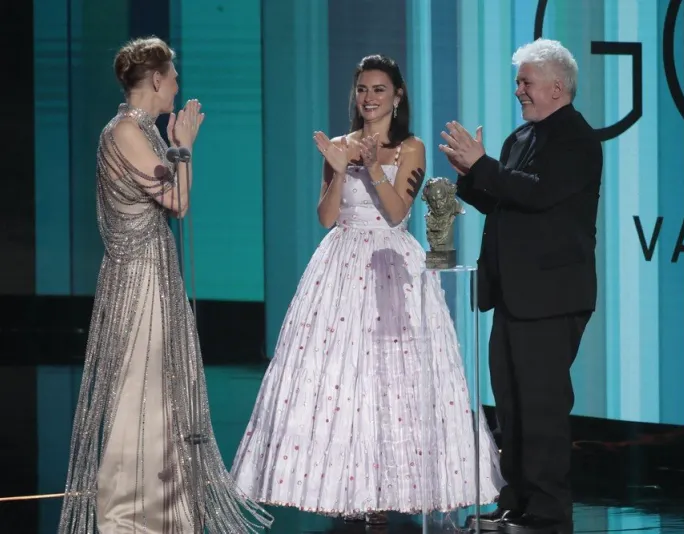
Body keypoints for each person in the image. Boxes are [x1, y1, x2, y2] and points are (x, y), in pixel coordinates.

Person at [231, 54, 503, 526]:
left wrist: (373, 165)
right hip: (340, 265)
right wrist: (339, 169)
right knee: (341, 379)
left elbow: (397, 213)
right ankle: (348, 488)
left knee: (393, 376)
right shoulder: (338, 145)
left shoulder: (411, 148)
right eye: (362, 89)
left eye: (379, 89)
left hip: (390, 264)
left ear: (397, 96)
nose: (369, 98)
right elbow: (325, 217)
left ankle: (392, 490)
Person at [57, 37, 273, 533]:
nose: (177, 86)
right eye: (173, 78)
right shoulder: (125, 132)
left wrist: (177, 148)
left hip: (156, 272)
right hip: (138, 280)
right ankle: (130, 514)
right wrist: (186, 146)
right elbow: (177, 201)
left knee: (166, 389)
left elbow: (174, 200)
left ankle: (165, 508)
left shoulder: (143, 132)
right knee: (142, 389)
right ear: (156, 79)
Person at [439, 38, 602, 534]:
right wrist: (471, 176)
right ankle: (516, 502)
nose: (518, 90)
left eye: (526, 81)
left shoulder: (576, 139)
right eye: (518, 81)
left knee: (542, 408)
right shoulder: (521, 138)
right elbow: (505, 203)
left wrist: (485, 167)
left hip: (551, 298)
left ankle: (548, 511)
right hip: (514, 294)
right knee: (511, 405)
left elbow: (540, 194)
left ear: (557, 87)